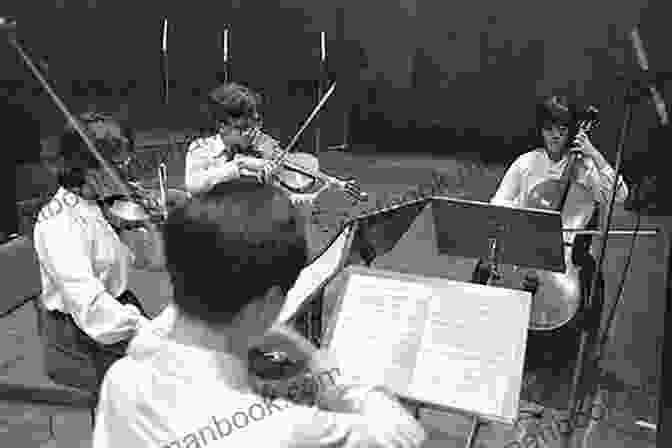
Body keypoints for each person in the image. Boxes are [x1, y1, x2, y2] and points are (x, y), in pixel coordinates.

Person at [92, 179, 426, 448]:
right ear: (269, 301)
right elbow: (403, 435)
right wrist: (326, 373)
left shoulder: (121, 380)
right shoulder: (282, 430)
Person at [33, 111, 166, 396]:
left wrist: (148, 224)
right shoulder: (58, 222)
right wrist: (149, 330)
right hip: (79, 335)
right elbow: (91, 308)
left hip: (118, 313)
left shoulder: (104, 204)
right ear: (86, 170)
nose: (127, 175)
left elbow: (153, 262)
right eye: (118, 167)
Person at [186, 82, 325, 255]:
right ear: (222, 127)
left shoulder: (260, 153)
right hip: (210, 239)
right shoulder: (201, 149)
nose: (252, 134)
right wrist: (239, 164)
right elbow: (193, 185)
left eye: (255, 126)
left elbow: (284, 197)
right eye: (243, 128)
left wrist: (313, 199)